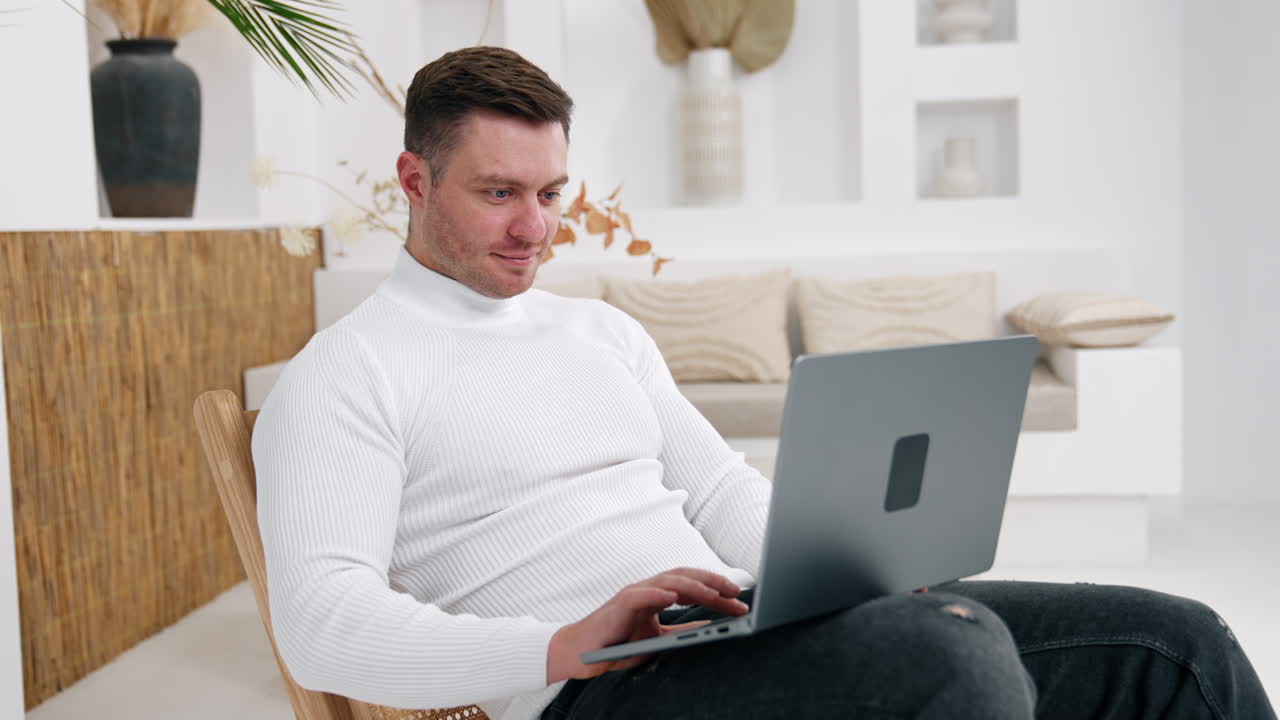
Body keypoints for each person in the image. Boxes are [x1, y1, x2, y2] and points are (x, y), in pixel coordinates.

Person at [253, 46, 1276, 720]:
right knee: (949, 660)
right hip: (599, 693)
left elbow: (719, 488)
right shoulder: (345, 376)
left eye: (552, 193)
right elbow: (320, 625)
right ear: (414, 180)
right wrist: (559, 645)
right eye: (498, 193)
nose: (535, 228)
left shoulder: (599, 332)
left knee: (1172, 642)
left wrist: (850, 574)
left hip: (748, 632)